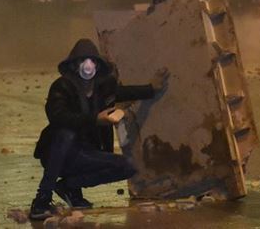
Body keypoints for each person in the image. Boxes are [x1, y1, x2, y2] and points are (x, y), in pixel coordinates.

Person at [29, 38, 168, 220]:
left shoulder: (102, 89)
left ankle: (69, 186)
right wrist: (95, 119)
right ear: (74, 65)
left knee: (127, 166)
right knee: (65, 134)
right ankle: (42, 198)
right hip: (60, 154)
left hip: (86, 154)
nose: (88, 66)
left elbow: (125, 92)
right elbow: (59, 117)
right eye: (82, 61)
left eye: (92, 61)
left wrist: (151, 88)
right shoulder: (62, 87)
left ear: (97, 66)